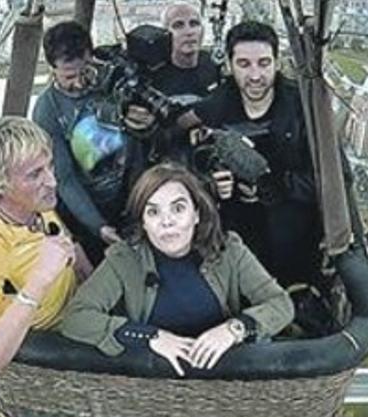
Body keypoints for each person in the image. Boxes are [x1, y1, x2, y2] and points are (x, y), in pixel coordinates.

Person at [59, 163, 293, 376]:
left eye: (178, 209)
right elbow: (76, 318)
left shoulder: (229, 250)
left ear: (196, 214)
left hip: (224, 377)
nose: (167, 221)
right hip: (156, 384)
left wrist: (234, 330)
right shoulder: (124, 258)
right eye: (153, 212)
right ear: (143, 222)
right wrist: (149, 337)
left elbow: (281, 304)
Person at [181, 20, 322, 289]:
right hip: (235, 234)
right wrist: (212, 182)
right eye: (244, 64)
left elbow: (330, 182)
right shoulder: (217, 106)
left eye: (264, 63)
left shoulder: (303, 110)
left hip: (292, 237)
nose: (255, 75)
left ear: (277, 63)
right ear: (230, 66)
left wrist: (276, 186)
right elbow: (189, 147)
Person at [0, 117, 90, 383]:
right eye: (34, 174)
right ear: (0, 185)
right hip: (57, 340)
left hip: (84, 307)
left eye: (49, 166)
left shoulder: (36, 206)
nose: (52, 181)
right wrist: (40, 279)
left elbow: (69, 247)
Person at [32, 21, 149, 265]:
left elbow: (136, 146)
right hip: (84, 210)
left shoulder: (110, 85)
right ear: (53, 70)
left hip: (129, 194)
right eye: (68, 76)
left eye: (84, 71)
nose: (78, 82)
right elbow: (64, 178)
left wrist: (138, 202)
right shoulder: (48, 109)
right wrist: (99, 227)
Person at [151, 3, 220, 104]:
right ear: (165, 34)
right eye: (178, 25)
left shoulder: (214, 64)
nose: (189, 32)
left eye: (194, 24)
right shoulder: (154, 73)